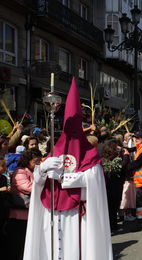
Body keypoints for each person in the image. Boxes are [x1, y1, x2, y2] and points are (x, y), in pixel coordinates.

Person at [23, 78, 112, 260]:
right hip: (53, 211)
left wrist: (65, 178)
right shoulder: (55, 149)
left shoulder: (90, 154)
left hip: (77, 213)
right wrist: (42, 168)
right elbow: (38, 182)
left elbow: (93, 180)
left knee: (75, 250)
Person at [5, 148, 42, 260]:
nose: (38, 164)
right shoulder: (20, 172)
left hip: (29, 214)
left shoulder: (34, 171)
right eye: (35, 161)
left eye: (39, 161)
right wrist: (43, 186)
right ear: (28, 160)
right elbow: (27, 187)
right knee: (18, 245)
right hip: (19, 216)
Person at [101, 139, 126, 232]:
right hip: (114, 186)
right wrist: (126, 156)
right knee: (113, 207)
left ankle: (111, 226)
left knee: (110, 207)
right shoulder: (116, 160)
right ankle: (113, 227)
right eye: (116, 148)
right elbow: (121, 169)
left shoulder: (103, 159)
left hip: (108, 186)